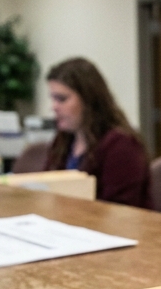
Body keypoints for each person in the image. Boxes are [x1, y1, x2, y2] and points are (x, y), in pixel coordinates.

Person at [44, 57, 150, 208]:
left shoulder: (122, 145)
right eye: (53, 99)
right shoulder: (63, 141)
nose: (54, 107)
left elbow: (119, 210)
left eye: (61, 99)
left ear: (88, 100)